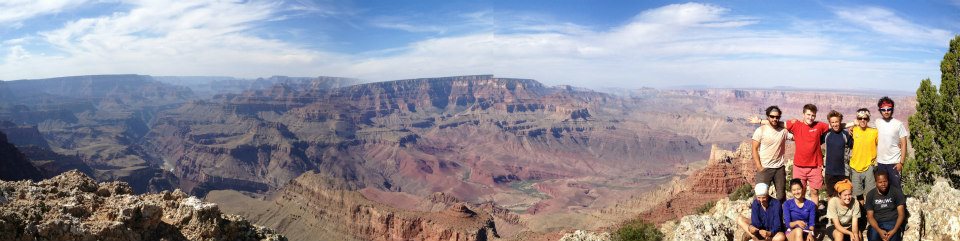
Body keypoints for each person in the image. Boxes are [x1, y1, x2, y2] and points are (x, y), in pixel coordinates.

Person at [784, 104, 830, 207]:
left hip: (815, 166)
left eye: (813, 115)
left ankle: (814, 214)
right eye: (808, 114)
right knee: (800, 192)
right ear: (803, 114)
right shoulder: (796, 124)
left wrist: (854, 123)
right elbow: (777, 123)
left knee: (814, 192)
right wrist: (760, 121)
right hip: (799, 167)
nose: (810, 117)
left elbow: (836, 124)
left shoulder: (819, 125)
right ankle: (801, 213)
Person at [752, 106, 789, 202]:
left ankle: (780, 216)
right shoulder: (761, 130)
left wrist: (761, 120)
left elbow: (797, 132)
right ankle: (759, 216)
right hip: (765, 168)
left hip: (779, 168)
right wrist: (759, 166)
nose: (775, 119)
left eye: (777, 117)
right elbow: (754, 149)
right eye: (772, 116)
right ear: (767, 116)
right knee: (760, 195)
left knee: (781, 196)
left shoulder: (783, 131)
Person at [874, 97, 909, 189]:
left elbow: (904, 144)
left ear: (892, 110)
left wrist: (901, 163)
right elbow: (865, 128)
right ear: (880, 110)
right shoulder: (877, 122)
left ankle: (900, 203)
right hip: (881, 162)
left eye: (889, 109)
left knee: (896, 188)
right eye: (883, 109)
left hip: (894, 162)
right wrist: (851, 128)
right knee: (883, 188)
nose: (886, 111)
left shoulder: (898, 124)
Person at [848, 108, 878, 204]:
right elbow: (841, 126)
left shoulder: (874, 132)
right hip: (855, 166)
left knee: (870, 193)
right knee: (858, 193)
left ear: (868, 119)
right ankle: (862, 212)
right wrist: (852, 125)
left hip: (869, 165)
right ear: (857, 119)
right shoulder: (854, 130)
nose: (862, 120)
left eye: (865, 118)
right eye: (860, 118)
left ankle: (870, 213)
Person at [866, 170, 906, 241]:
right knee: (873, 237)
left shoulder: (896, 192)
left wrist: (894, 230)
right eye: (880, 182)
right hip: (877, 223)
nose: (883, 184)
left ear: (888, 181)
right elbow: (870, 217)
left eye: (885, 181)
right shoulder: (870, 195)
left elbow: (901, 214)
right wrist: (879, 230)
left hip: (893, 222)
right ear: (876, 183)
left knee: (894, 237)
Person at [821, 110, 852, 197]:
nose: (835, 124)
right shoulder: (827, 134)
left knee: (844, 195)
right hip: (829, 172)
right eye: (832, 122)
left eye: (837, 122)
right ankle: (831, 211)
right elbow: (814, 141)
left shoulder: (846, 135)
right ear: (830, 123)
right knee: (831, 196)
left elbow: (855, 146)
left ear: (840, 121)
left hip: (843, 172)